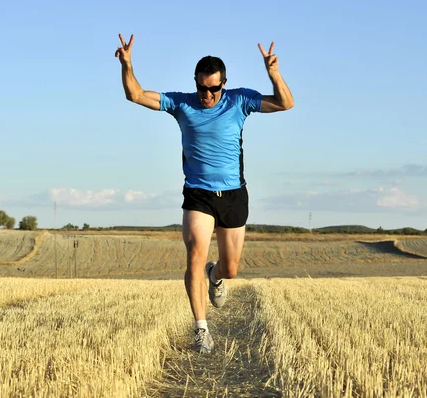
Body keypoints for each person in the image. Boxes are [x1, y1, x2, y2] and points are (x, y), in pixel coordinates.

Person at [115, 33, 294, 353]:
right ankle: (201, 329)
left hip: (234, 194)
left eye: (214, 88)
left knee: (231, 268)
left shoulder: (240, 100)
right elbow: (136, 95)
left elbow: (285, 103)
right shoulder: (181, 103)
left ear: (224, 83)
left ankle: (216, 275)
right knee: (195, 253)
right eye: (202, 87)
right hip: (198, 194)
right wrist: (127, 65)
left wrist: (274, 74)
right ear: (195, 83)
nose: (208, 94)